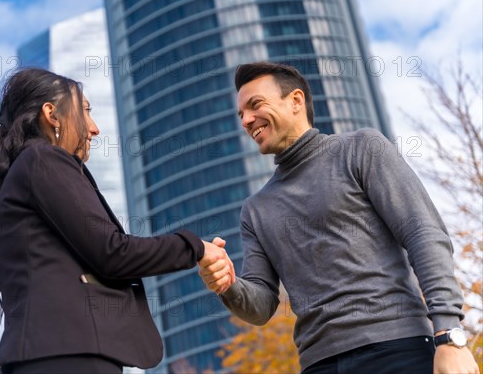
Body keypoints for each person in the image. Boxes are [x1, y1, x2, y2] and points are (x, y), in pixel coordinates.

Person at [199, 62, 479, 374]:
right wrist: (227, 283)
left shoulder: (361, 149)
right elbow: (262, 305)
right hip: (319, 364)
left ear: (295, 101)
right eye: (241, 115)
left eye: (255, 105)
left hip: (399, 348)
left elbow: (424, 234)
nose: (247, 120)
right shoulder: (255, 209)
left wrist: (449, 335)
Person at [0, 67, 235, 373]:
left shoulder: (26, 169)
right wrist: (195, 247)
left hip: (47, 355)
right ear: (51, 115)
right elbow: (112, 252)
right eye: (86, 112)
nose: (94, 128)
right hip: (69, 356)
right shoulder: (44, 160)